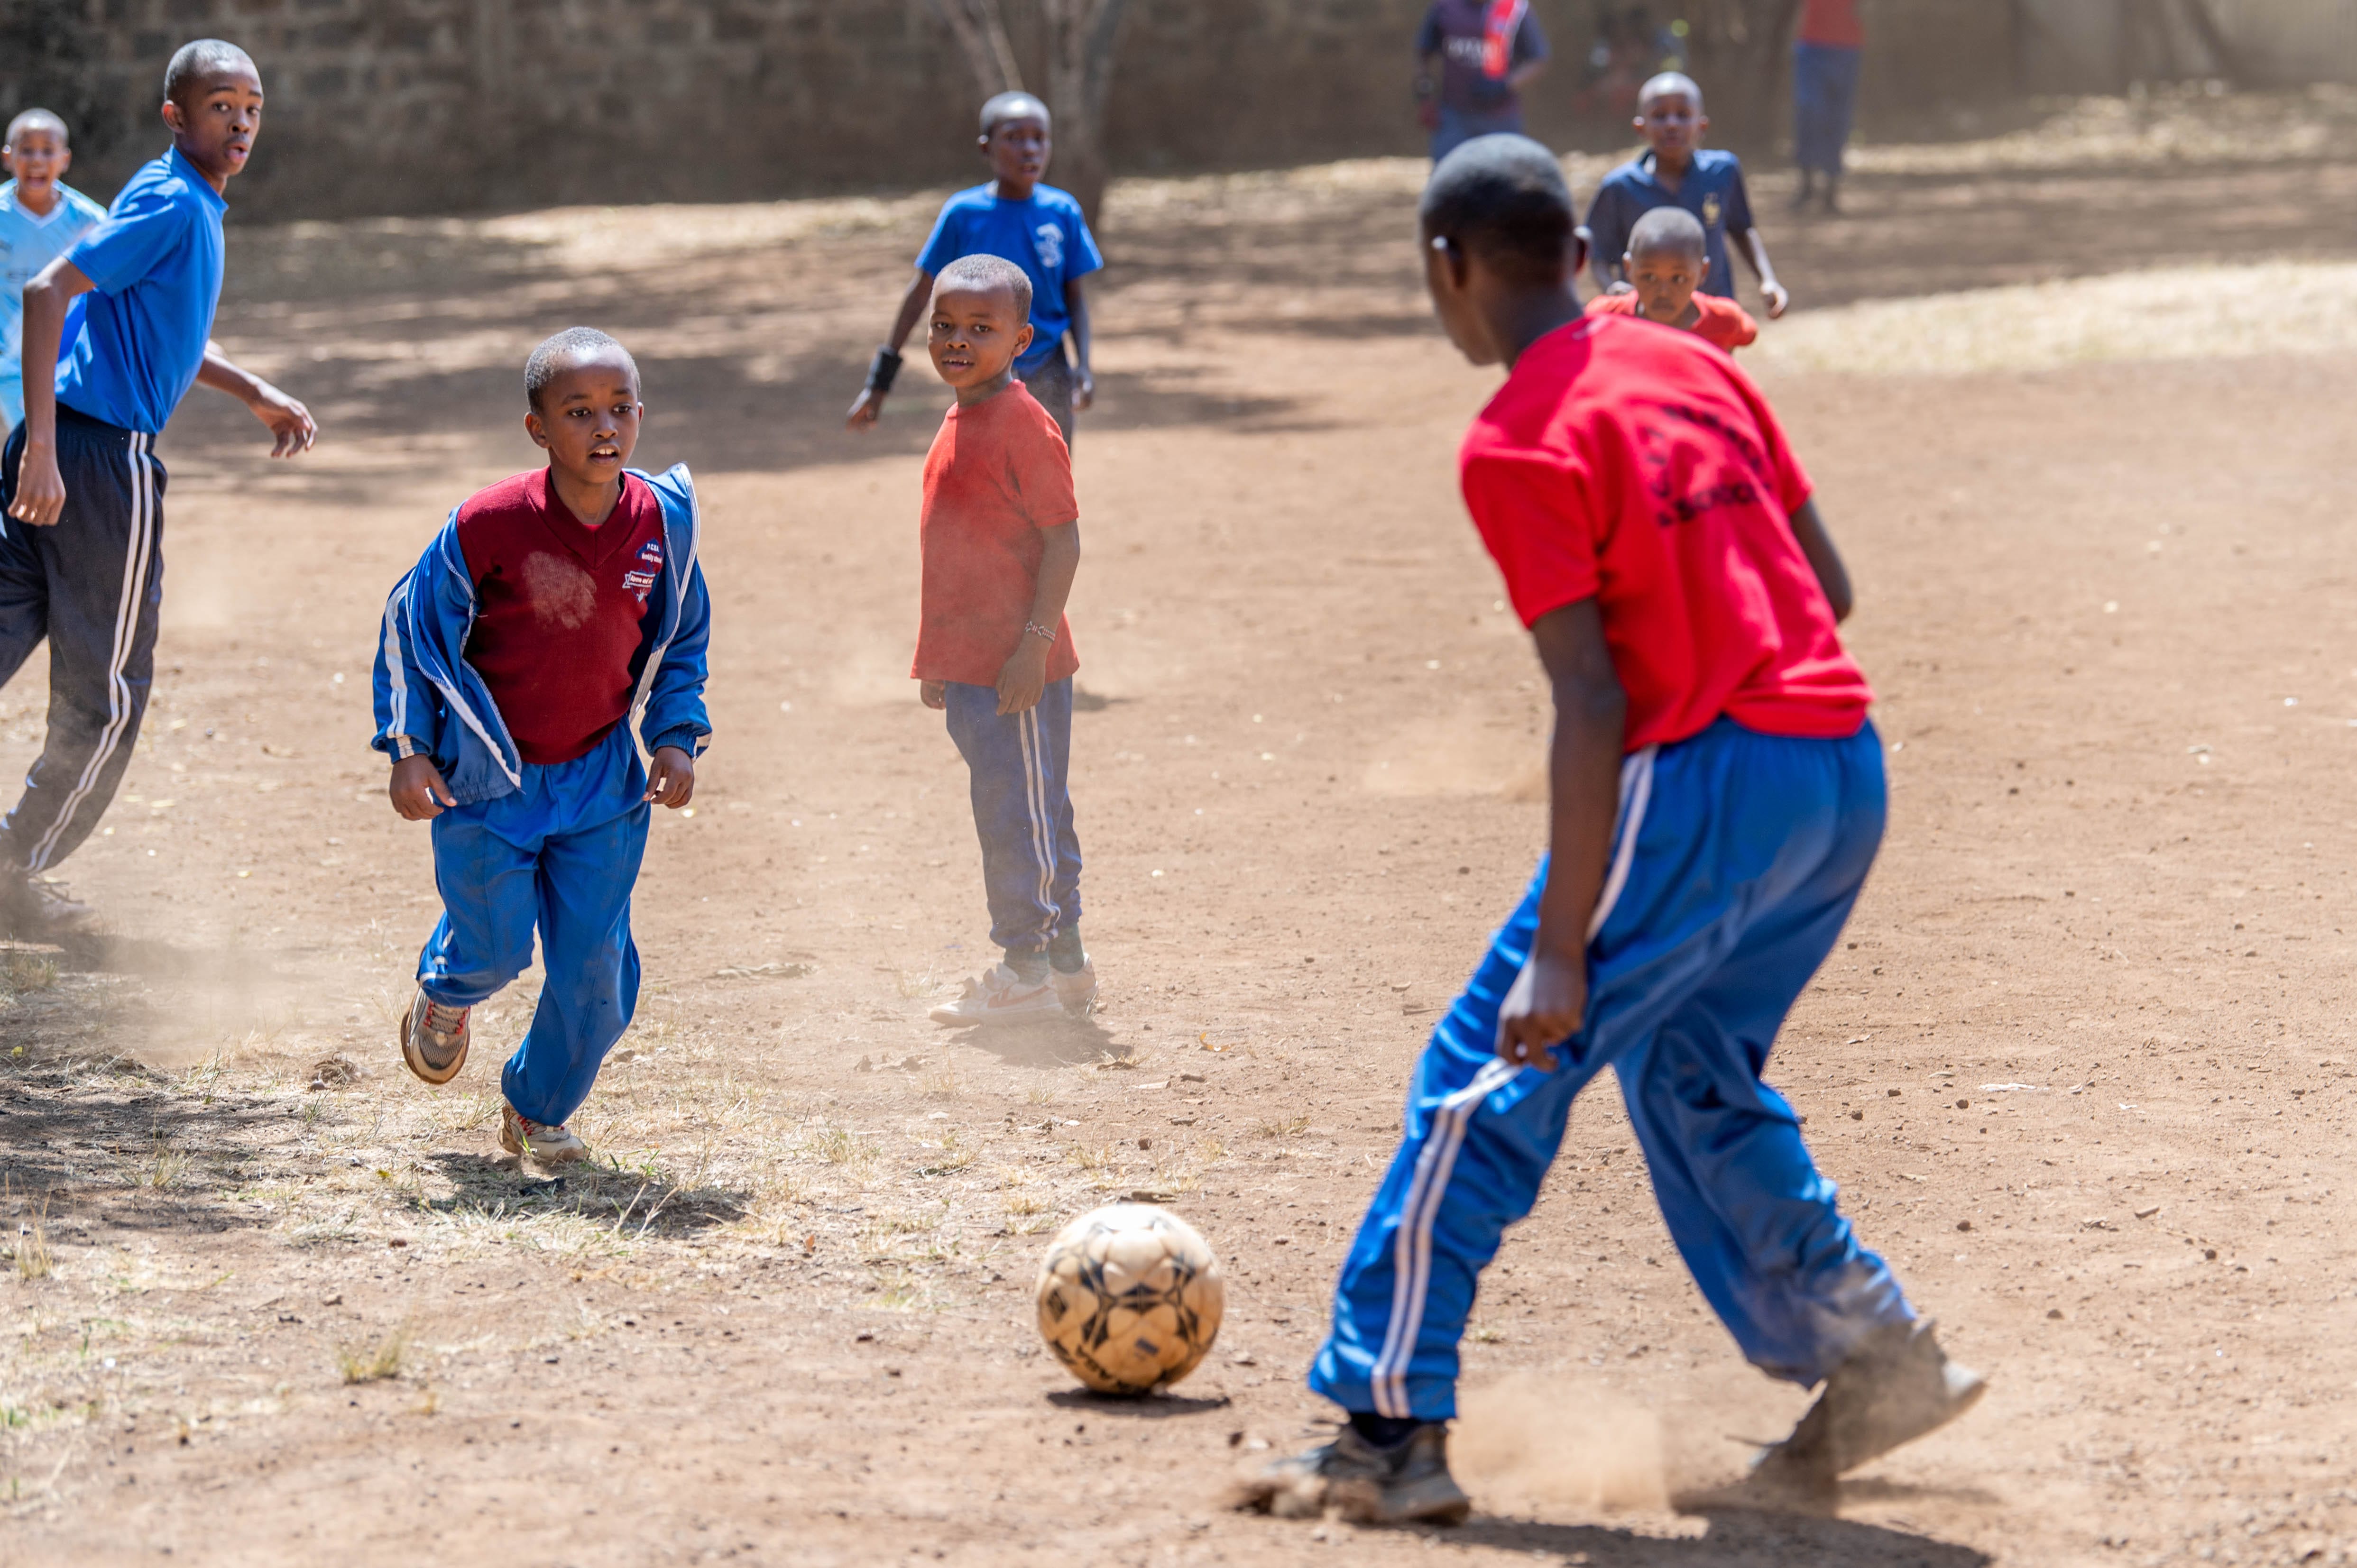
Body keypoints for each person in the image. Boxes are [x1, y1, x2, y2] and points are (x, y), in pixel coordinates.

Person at [1239, 136, 1983, 1527]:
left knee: (1489, 1066)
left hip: (1706, 780)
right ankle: (1875, 1353)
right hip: (1839, 768)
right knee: (1693, 1069)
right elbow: (1829, 582)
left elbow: (1591, 699)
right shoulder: (1698, 364)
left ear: (1442, 269)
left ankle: (1384, 1423)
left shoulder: (1517, 434)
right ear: (1582, 261)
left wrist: (1565, 951)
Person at [372, 328, 710, 1165]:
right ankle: (448, 995)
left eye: (621, 408)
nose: (606, 427)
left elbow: (682, 640)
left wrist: (674, 734)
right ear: (538, 429)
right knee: (491, 949)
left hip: (602, 779)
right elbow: (410, 628)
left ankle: (537, 1107)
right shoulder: (488, 524)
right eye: (580, 411)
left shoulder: (662, 525)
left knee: (598, 978)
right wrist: (410, 746)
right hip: (489, 779)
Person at [0, 40, 315, 932]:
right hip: (96, 467)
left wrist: (254, 391)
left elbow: (151, 327)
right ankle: (10, 871)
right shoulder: (177, 202)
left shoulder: (172, 198)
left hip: (62, 445)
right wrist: (46, 454)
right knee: (107, 698)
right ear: (177, 116)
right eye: (222, 105)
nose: (242, 121)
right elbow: (47, 290)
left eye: (253, 105)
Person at [909, 255, 1096, 1027]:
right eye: (944, 326)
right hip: (974, 665)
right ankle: (1062, 967)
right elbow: (955, 551)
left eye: (980, 329)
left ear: (1021, 340)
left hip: (1020, 665)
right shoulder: (960, 417)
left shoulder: (1023, 422)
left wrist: (1033, 645)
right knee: (1011, 805)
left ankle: (1029, 965)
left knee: (1025, 812)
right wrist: (938, 659)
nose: (958, 340)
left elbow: (1065, 542)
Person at [847, 92, 1102, 449]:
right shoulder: (963, 215)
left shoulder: (1062, 212)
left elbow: (1075, 299)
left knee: (1048, 477)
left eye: (1039, 138)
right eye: (1014, 138)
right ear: (986, 148)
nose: (1030, 149)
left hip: (1050, 367)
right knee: (983, 478)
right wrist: (879, 384)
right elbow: (921, 292)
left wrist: (1084, 367)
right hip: (983, 371)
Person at [1585, 72, 1788, 319]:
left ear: (1702, 125)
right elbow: (1599, 255)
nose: (1672, 124)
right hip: (1647, 319)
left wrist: (1768, 280)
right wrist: (1611, 289)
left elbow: (1742, 230)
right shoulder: (1620, 187)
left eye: (1683, 115)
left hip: (1711, 316)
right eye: (1660, 116)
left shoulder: (1723, 173)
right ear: (1640, 127)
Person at [0, 110, 108, 435]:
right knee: (31, 447)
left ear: (65, 159)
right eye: (26, 149)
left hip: (68, 362)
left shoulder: (90, 222)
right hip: (9, 365)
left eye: (48, 150)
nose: (37, 160)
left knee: (63, 454)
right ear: (8, 157)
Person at [1583, 205, 1758, 352]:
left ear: (1703, 272)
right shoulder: (1605, 317)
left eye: (1679, 279)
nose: (1664, 292)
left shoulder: (1724, 319)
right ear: (1629, 269)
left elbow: (1748, 333)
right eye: (1649, 277)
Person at [1414, 0, 1550, 163]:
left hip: (1501, 119)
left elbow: (1539, 60)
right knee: (1451, 177)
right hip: (1454, 117)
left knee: (1505, 182)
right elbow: (1423, 52)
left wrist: (1505, 85)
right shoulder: (1445, 7)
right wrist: (1425, 96)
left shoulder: (1514, 8)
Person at [1793, 0, 1865, 213]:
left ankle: (1831, 190)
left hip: (1847, 47)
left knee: (1838, 117)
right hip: (1812, 45)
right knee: (1809, 111)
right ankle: (1806, 185)